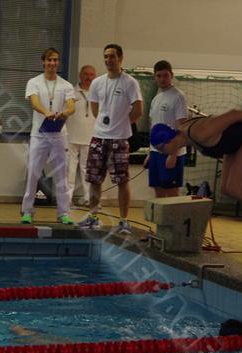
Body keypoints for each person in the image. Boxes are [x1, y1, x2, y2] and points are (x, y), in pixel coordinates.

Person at [154, 108, 242, 235]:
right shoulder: (181, 135)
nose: (161, 152)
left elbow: (234, 114)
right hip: (234, 143)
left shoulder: (198, 131)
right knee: (226, 189)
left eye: (161, 149)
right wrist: (173, 155)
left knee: (236, 188)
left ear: (169, 141)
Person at [78, 44, 143, 234]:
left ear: (120, 58)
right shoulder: (97, 82)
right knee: (94, 179)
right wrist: (105, 124)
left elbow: (138, 110)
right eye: (106, 56)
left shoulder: (130, 82)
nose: (108, 60)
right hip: (99, 138)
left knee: (122, 180)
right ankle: (93, 217)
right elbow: (95, 108)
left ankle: (123, 220)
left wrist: (121, 123)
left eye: (112, 56)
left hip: (119, 139)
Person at [20, 47, 76, 225]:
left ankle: (63, 213)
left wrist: (65, 112)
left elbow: (72, 106)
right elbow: (35, 103)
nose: (52, 63)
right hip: (39, 135)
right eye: (49, 60)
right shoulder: (34, 82)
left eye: (55, 60)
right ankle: (27, 210)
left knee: (61, 174)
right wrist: (47, 112)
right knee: (33, 172)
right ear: (43, 62)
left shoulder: (66, 85)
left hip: (59, 135)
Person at [144, 60, 188, 198]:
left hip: (171, 153)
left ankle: (173, 216)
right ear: (155, 77)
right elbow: (153, 127)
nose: (162, 79)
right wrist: (150, 152)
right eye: (159, 76)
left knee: (171, 193)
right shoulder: (156, 99)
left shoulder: (178, 96)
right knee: (158, 191)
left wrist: (173, 154)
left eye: (165, 75)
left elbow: (182, 127)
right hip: (156, 152)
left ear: (171, 75)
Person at [66, 64, 97, 207]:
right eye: (86, 74)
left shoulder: (98, 94)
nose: (88, 77)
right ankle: (67, 199)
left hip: (90, 137)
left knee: (87, 170)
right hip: (71, 136)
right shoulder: (71, 92)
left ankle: (88, 198)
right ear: (80, 75)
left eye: (91, 75)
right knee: (69, 170)